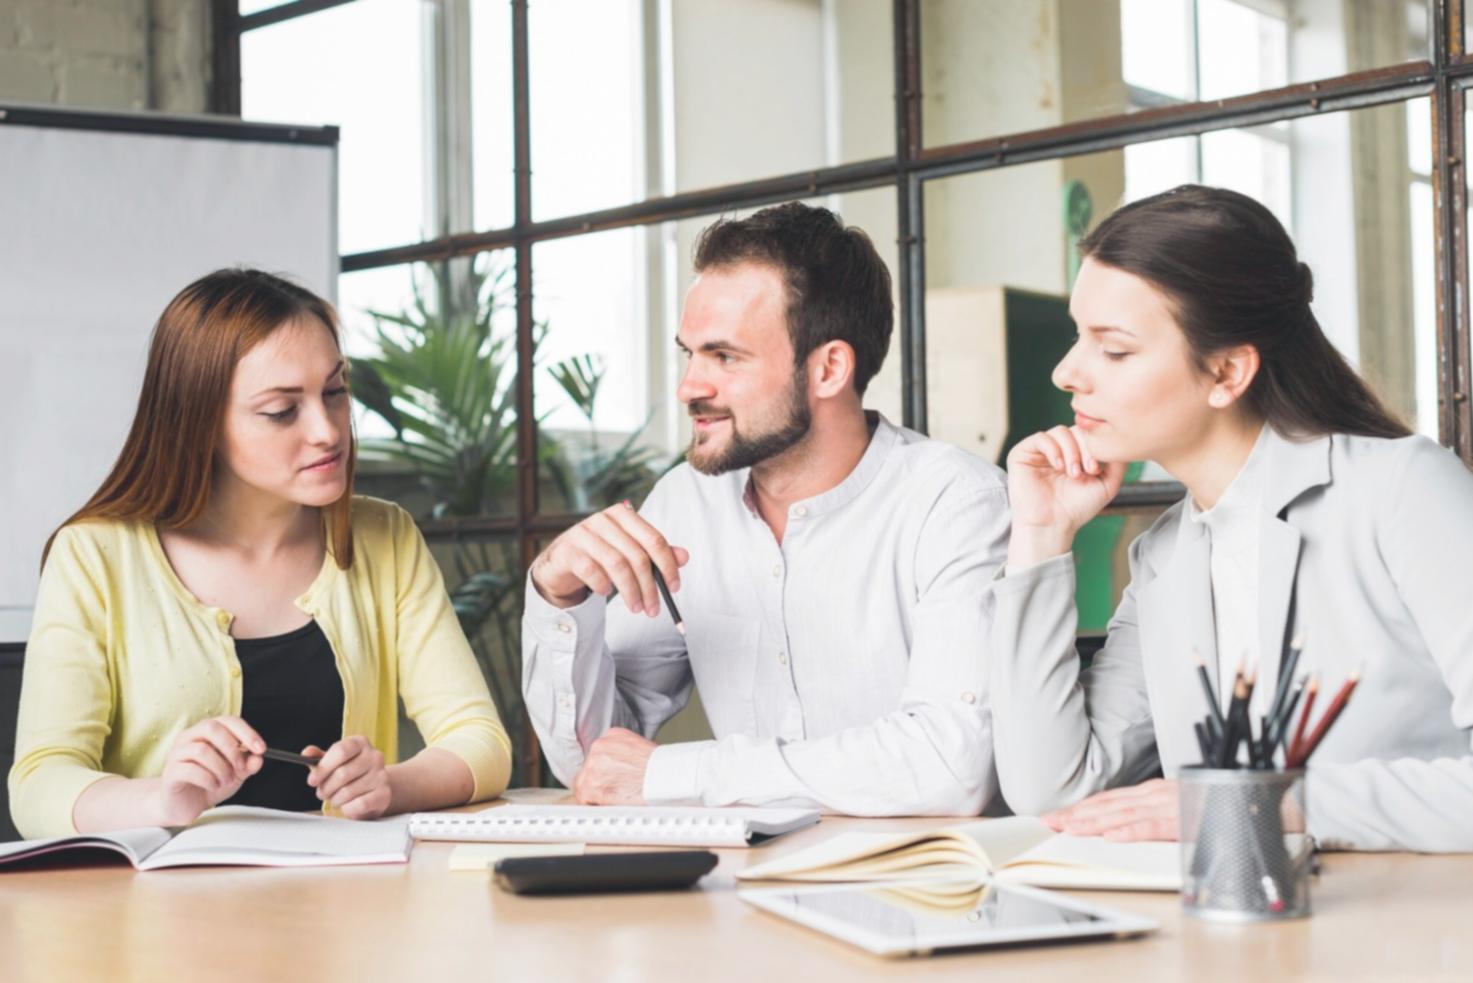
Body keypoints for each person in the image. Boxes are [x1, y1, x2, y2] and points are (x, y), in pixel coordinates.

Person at [990, 184, 1473, 852]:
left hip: (1409, 933)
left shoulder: (1400, 488)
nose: (1067, 371)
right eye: (1079, 336)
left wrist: (1271, 803)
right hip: (1236, 934)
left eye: (1115, 348)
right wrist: (1040, 540)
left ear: (1225, 371)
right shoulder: (1164, 555)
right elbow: (1056, 789)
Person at [521, 202, 1010, 815]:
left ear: (829, 367)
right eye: (689, 354)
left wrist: (685, 772)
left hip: (926, 894)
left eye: (724, 357)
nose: (689, 387)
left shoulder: (957, 505)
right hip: (746, 890)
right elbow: (599, 764)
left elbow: (950, 765)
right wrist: (560, 600)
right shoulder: (686, 500)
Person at [9, 269, 512, 840]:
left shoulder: (384, 536)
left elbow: (480, 739)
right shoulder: (95, 555)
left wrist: (392, 784)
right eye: (281, 410)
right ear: (199, 424)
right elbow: (38, 785)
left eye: (336, 392)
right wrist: (163, 799)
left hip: (352, 907)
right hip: (159, 918)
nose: (328, 431)